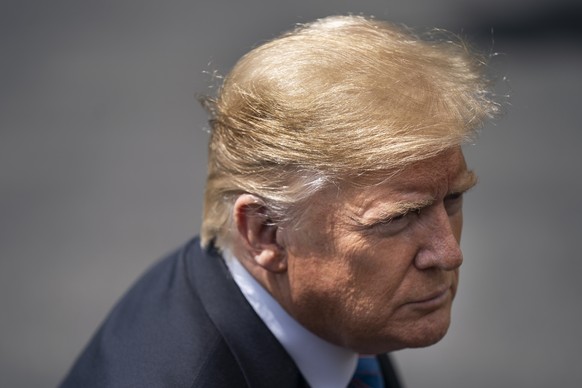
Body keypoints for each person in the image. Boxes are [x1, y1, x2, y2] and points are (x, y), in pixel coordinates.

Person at [61, 15, 498, 388]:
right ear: (266, 232)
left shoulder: (326, 318)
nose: (449, 253)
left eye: (453, 198)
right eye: (400, 218)